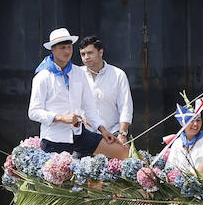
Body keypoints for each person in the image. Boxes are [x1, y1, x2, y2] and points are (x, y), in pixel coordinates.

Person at [28, 28, 128, 159]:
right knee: (62, 176)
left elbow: (89, 107)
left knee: (122, 152)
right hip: (54, 138)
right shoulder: (43, 76)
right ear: (52, 50)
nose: (67, 51)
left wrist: (103, 130)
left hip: (79, 133)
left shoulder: (79, 73)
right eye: (63, 48)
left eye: (69, 47)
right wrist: (60, 118)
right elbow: (33, 112)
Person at [78, 36, 133, 140]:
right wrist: (80, 116)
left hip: (113, 132)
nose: (86, 57)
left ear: (101, 52)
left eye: (90, 53)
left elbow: (126, 107)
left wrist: (122, 134)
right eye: (83, 54)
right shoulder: (77, 75)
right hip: (85, 133)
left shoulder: (118, 75)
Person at [164, 107, 203, 175]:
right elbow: (169, 170)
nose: (195, 124)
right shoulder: (177, 143)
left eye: (198, 120)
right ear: (182, 123)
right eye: (191, 120)